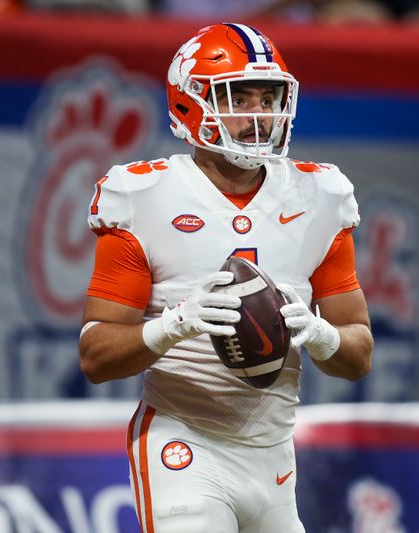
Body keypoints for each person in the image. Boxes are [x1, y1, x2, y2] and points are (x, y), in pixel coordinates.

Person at [79, 22, 373, 533]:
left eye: (268, 97)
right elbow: (95, 356)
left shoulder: (319, 197)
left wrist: (324, 336)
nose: (258, 114)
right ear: (191, 103)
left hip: (276, 456)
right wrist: (174, 325)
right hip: (183, 439)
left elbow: (359, 354)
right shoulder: (144, 197)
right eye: (238, 97)